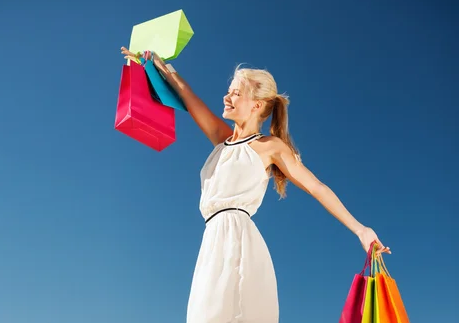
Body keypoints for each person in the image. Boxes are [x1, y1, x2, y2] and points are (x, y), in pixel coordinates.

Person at [120, 47, 391, 323]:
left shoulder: (268, 147)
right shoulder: (221, 139)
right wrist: (150, 62)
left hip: (239, 243)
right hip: (211, 244)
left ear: (256, 105)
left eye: (236, 92)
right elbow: (187, 96)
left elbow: (316, 187)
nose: (227, 96)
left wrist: (361, 229)